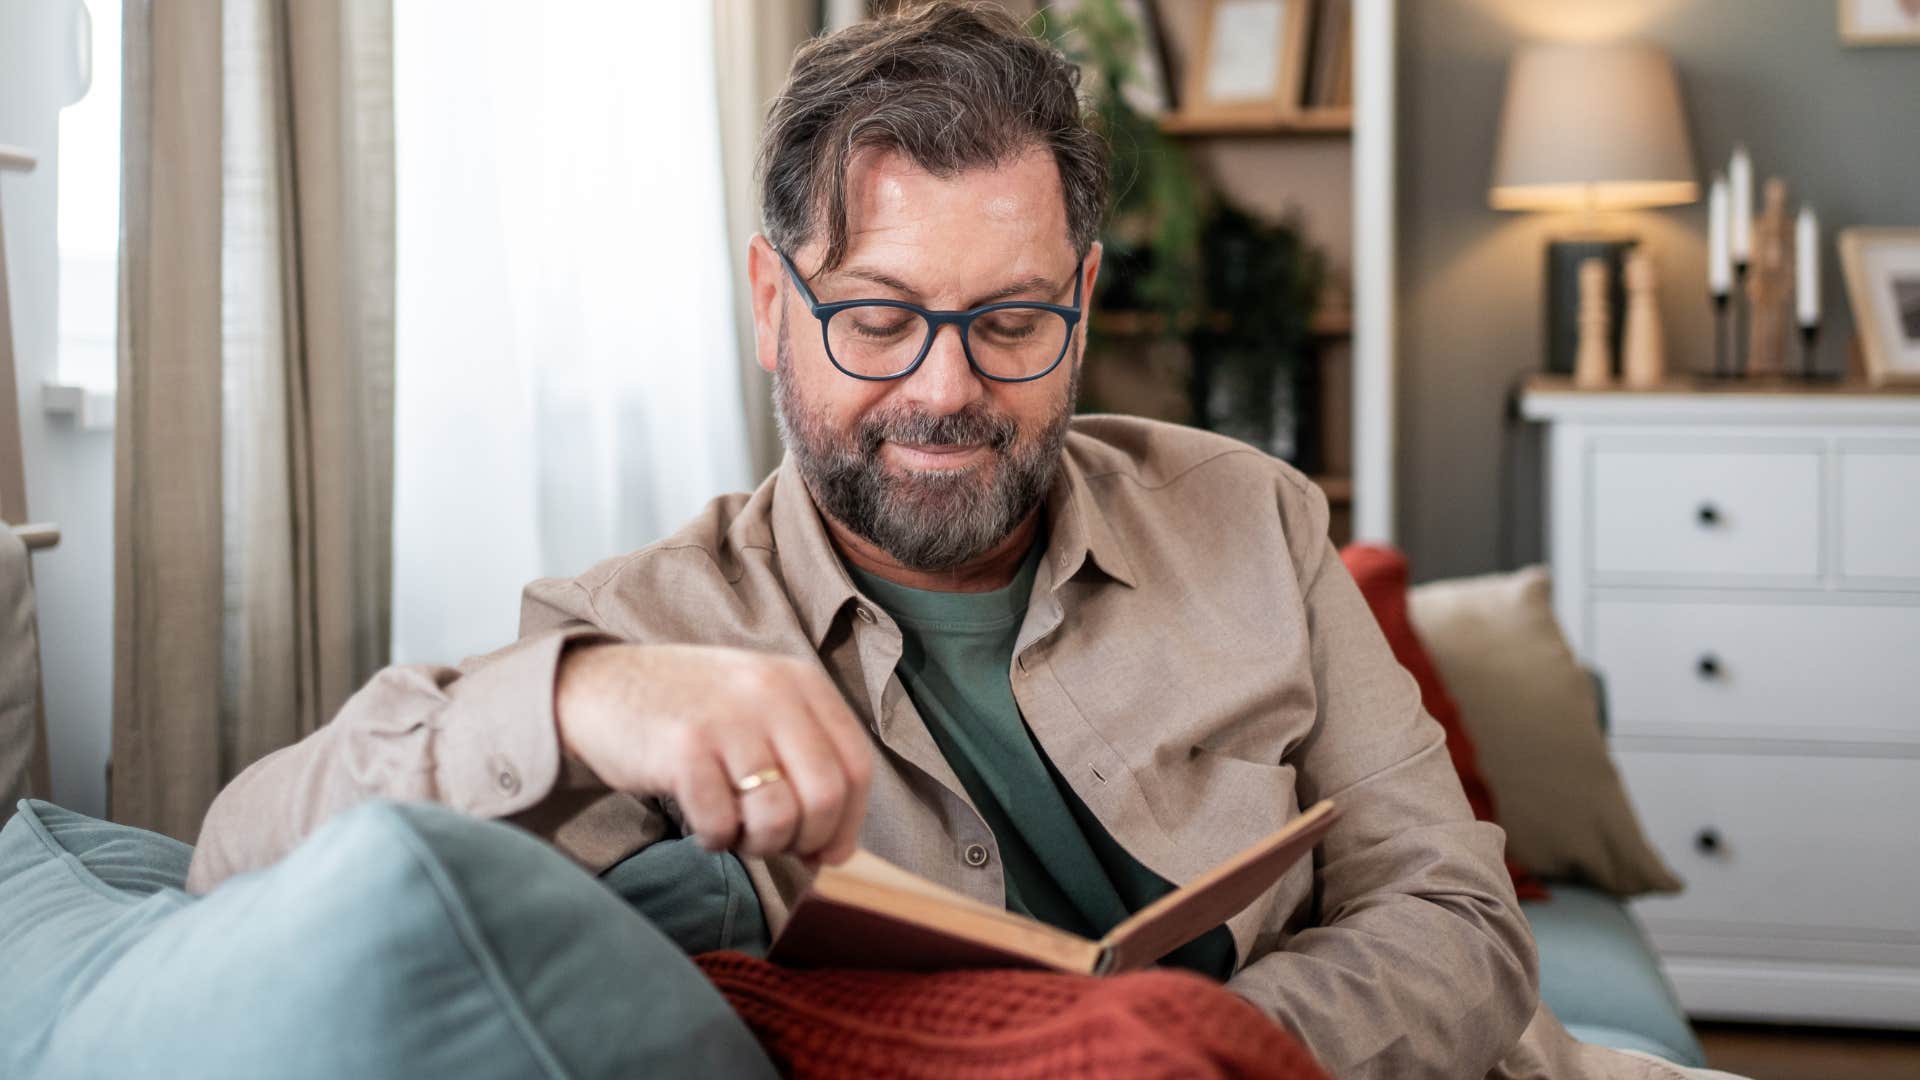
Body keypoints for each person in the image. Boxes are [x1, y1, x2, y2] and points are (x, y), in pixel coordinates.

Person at [184, 4, 1738, 1078]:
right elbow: (238, 870)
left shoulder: (1250, 516)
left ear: (1083, 297)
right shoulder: (642, 633)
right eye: (876, 318)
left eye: (1009, 321)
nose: (945, 389)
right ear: (769, 304)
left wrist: (1218, 1056)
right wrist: (584, 704)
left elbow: (1459, 916)